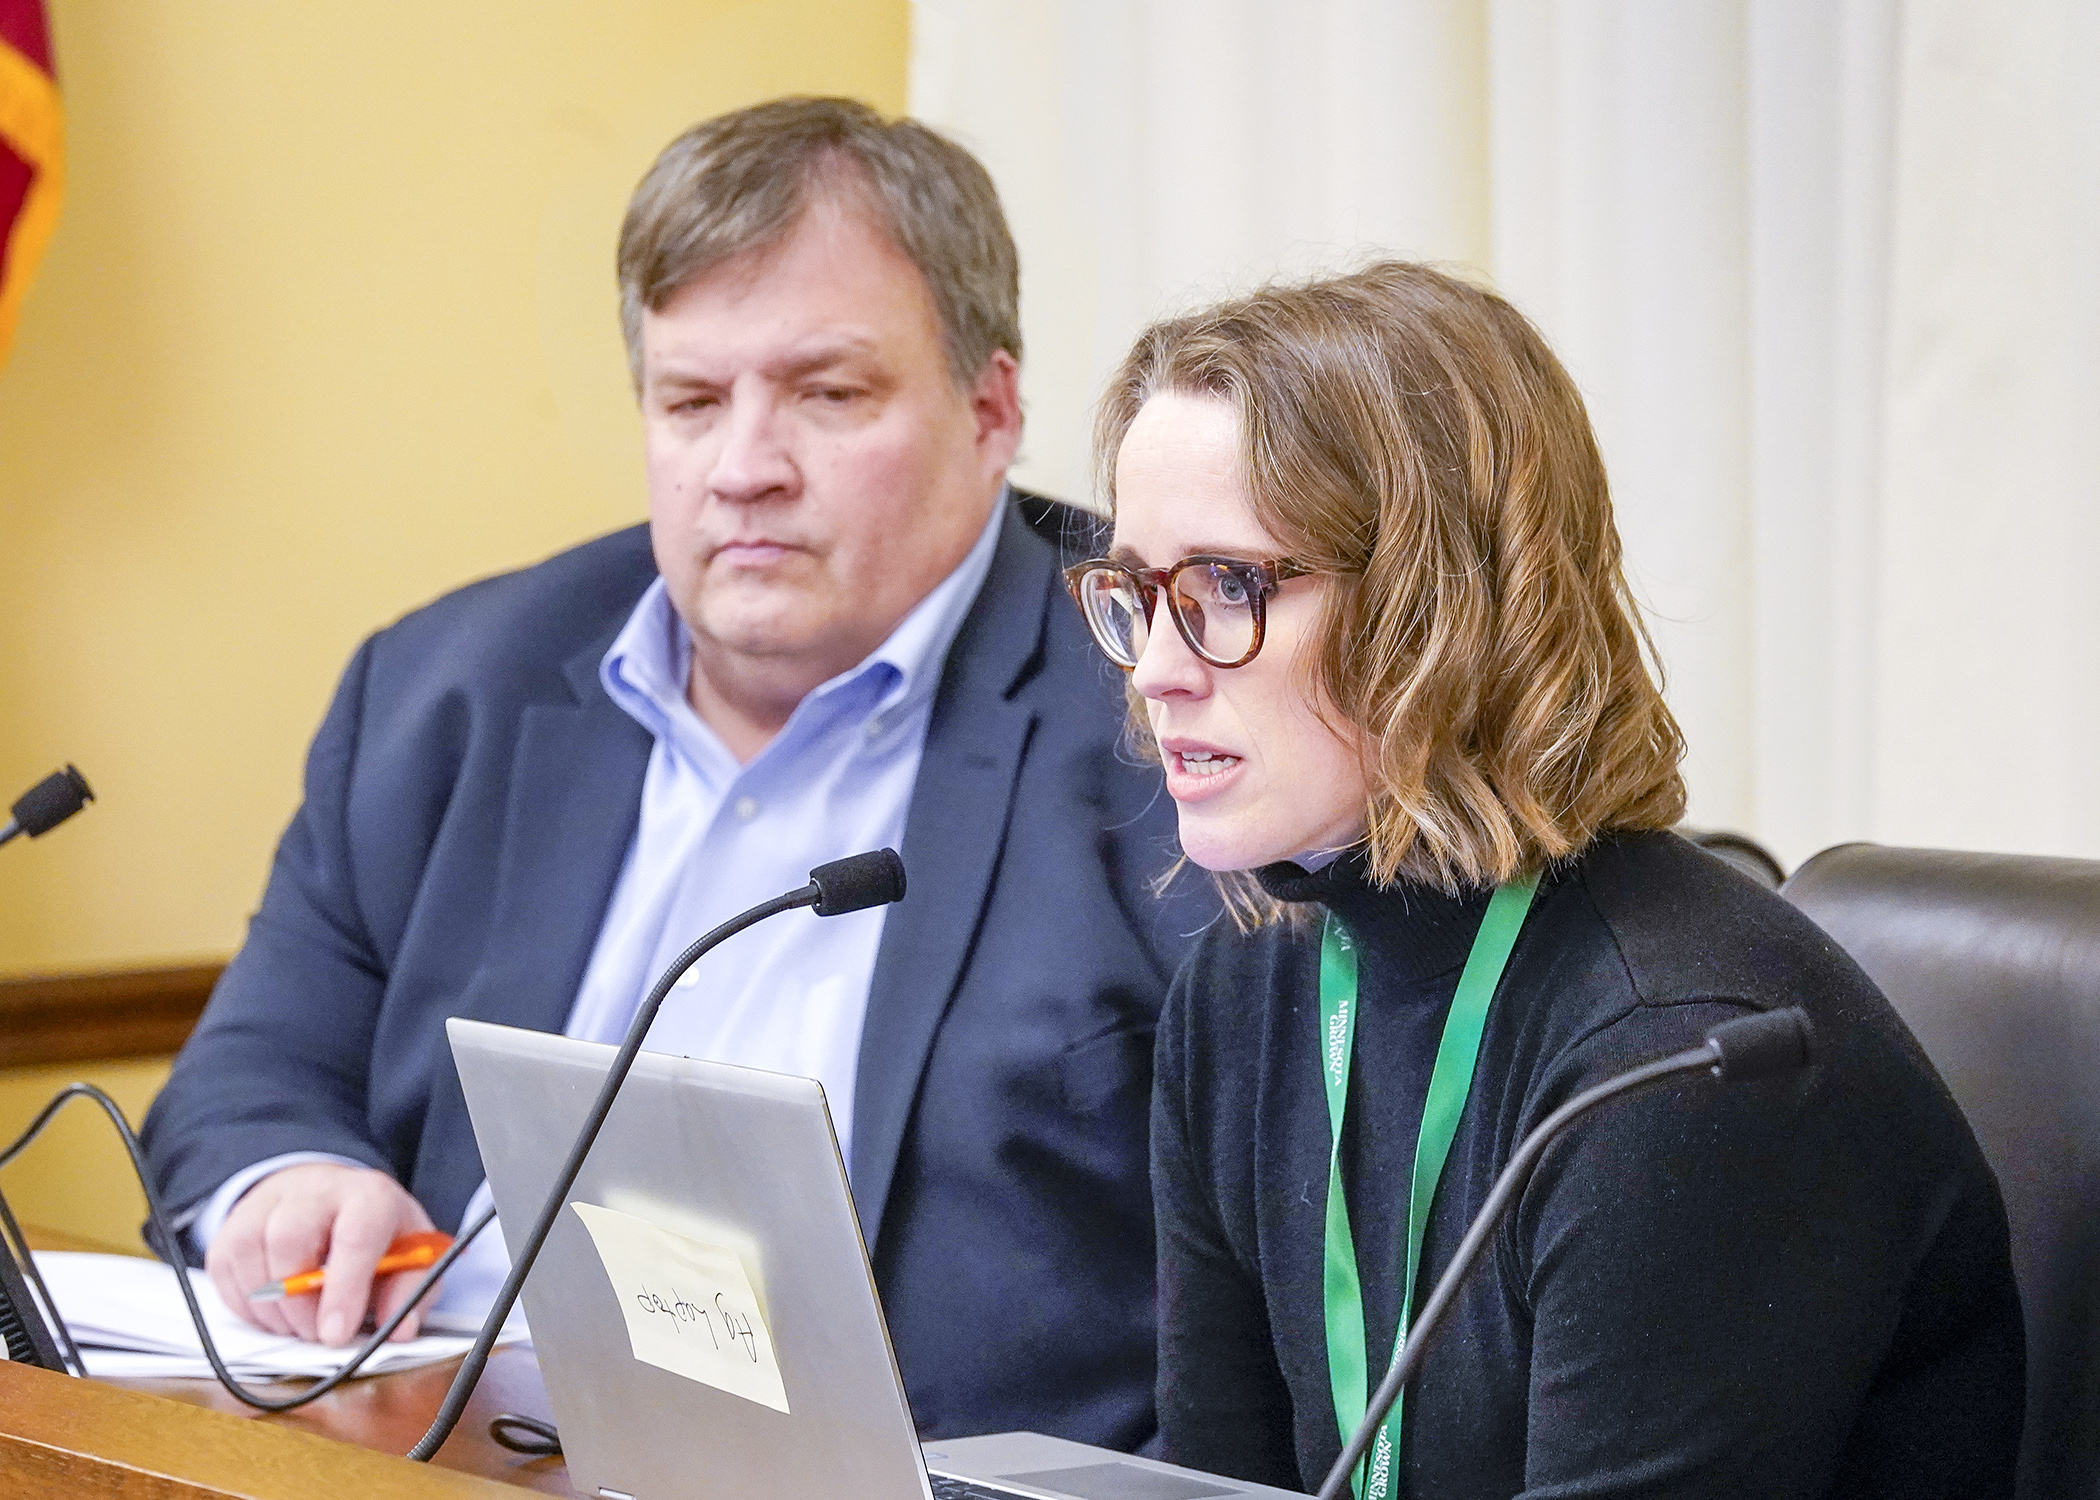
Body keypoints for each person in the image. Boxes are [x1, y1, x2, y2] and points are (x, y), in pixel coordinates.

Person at [141, 96, 1209, 1450]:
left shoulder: (1166, 707)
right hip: (439, 1461)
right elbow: (249, 1069)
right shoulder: (444, 691)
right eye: (692, 402)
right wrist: (288, 1184)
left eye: (828, 394)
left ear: (992, 408)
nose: (744, 470)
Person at [1064, 262, 2025, 1496]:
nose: (1155, 668)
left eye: (1228, 586)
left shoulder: (1679, 1061)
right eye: (1138, 594)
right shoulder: (1241, 999)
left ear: (1440, 604)